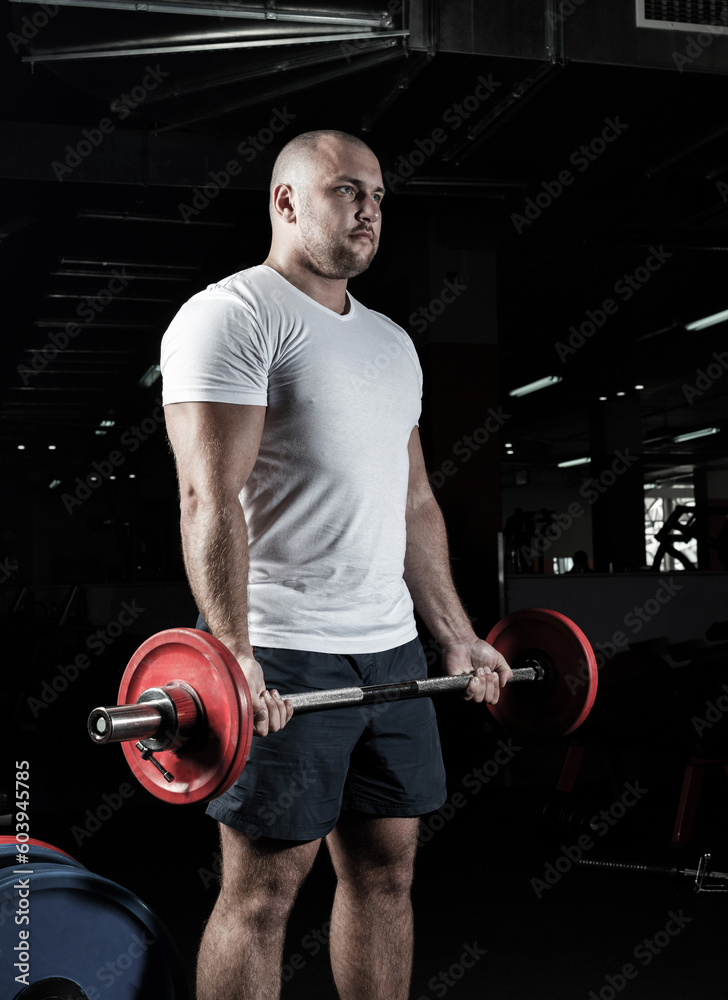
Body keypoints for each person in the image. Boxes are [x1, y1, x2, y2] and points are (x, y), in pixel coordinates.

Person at [160, 129, 512, 1000]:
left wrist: (457, 638)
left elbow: (415, 502)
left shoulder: (393, 343)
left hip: (389, 650)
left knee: (387, 876)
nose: (370, 209)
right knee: (263, 895)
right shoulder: (234, 315)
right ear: (286, 202)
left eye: (380, 196)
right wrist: (236, 657)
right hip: (282, 651)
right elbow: (208, 497)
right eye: (348, 190)